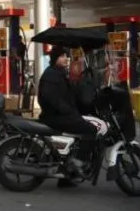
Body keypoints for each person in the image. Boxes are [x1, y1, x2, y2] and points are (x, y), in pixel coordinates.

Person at [36, 48, 105, 185]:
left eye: (66, 56)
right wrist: (67, 110)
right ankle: (78, 162)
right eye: (62, 56)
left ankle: (67, 176)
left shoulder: (59, 73)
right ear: (55, 58)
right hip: (54, 117)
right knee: (90, 129)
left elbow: (69, 93)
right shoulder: (51, 74)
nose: (65, 59)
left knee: (80, 130)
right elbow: (49, 97)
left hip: (60, 115)